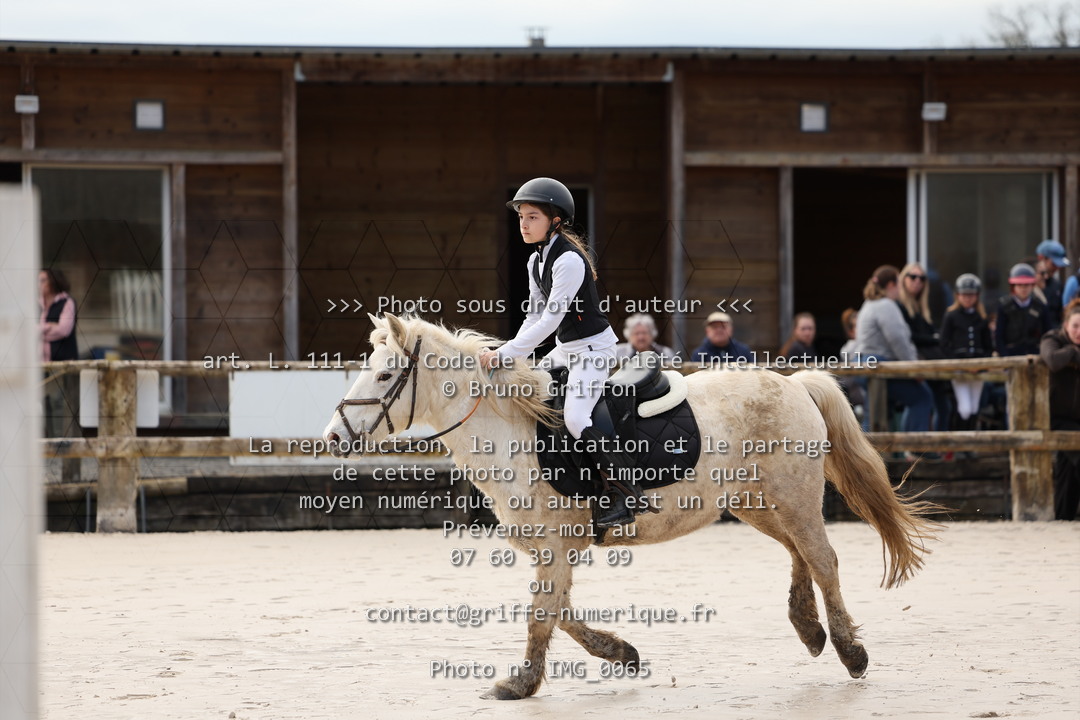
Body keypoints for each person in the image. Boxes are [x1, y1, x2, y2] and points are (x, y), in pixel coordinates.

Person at [479, 177, 635, 528]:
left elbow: (551, 320)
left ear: (555, 221)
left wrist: (505, 353)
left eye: (532, 217)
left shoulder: (569, 261)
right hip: (566, 350)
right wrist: (512, 356)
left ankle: (621, 493)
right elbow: (533, 316)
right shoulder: (535, 262)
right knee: (526, 391)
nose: (523, 224)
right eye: (521, 217)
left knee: (576, 418)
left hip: (593, 350)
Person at [853, 265, 935, 446]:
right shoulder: (886, 306)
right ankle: (915, 448)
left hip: (865, 363)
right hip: (878, 364)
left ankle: (867, 455)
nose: (900, 288)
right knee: (922, 397)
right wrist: (914, 368)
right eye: (898, 283)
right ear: (891, 285)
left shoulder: (869, 304)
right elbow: (898, 340)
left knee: (873, 411)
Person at [897, 262, 951, 432]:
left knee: (940, 405)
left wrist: (935, 338)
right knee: (920, 401)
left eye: (922, 278)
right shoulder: (898, 306)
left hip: (928, 363)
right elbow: (908, 337)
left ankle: (936, 444)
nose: (917, 281)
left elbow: (928, 333)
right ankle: (910, 444)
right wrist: (934, 339)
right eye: (913, 277)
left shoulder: (922, 308)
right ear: (903, 279)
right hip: (914, 362)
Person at [1040, 298, 1080, 520]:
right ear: (1066, 325)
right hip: (1055, 416)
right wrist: (1072, 352)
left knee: (1067, 468)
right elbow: (1053, 361)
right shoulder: (1052, 338)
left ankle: (1063, 516)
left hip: (1077, 418)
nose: (1079, 332)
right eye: (1075, 326)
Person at [39, 268, 80, 481]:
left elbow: (64, 329)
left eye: (43, 280)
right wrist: (48, 328)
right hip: (41, 362)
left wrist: (41, 329)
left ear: (53, 282)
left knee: (59, 402)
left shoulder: (67, 303)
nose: (40, 284)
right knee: (44, 402)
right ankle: (49, 444)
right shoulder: (38, 304)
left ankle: (60, 444)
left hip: (62, 362)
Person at [940, 274, 992, 434]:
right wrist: (959, 364)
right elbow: (944, 344)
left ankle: (971, 442)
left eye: (971, 295)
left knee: (975, 408)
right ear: (957, 295)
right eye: (964, 294)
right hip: (959, 368)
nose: (968, 298)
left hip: (978, 368)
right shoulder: (951, 315)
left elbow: (988, 346)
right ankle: (959, 440)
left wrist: (981, 365)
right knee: (965, 408)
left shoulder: (981, 317)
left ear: (977, 296)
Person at [995, 263, 1051, 357]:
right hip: (1011, 356)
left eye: (1026, 285)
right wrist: (1005, 356)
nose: (1023, 289)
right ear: (1013, 286)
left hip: (1035, 355)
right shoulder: (1004, 307)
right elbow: (999, 337)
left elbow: (1047, 333)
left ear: (1032, 286)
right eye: (1019, 285)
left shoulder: (1040, 306)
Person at [1035, 239, 1068, 328]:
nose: (1057, 268)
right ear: (1041, 258)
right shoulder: (1027, 283)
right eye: (1054, 264)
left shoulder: (1057, 286)